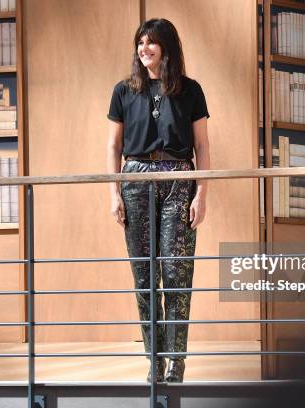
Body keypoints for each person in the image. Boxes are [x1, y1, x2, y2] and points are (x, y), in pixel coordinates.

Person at [106, 18, 211, 383]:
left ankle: (177, 362)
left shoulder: (190, 90)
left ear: (166, 47)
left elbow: (202, 146)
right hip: (135, 182)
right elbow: (114, 146)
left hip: (180, 182)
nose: (143, 49)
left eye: (151, 42)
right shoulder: (123, 90)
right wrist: (114, 192)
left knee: (177, 275)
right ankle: (155, 359)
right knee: (145, 279)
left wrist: (202, 194)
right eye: (140, 43)